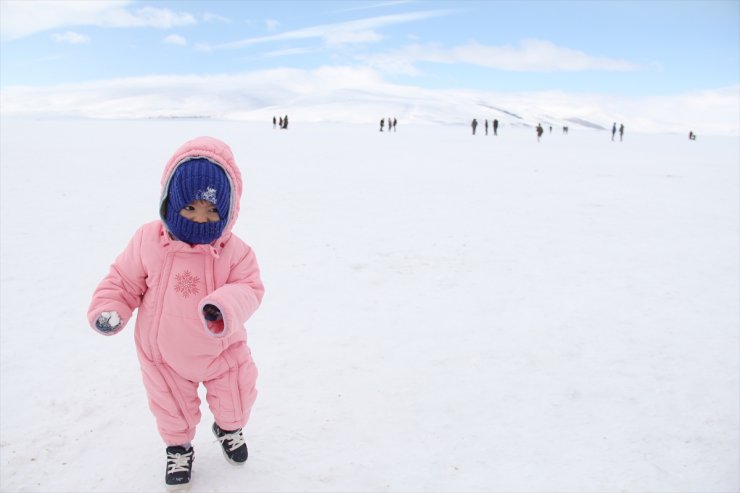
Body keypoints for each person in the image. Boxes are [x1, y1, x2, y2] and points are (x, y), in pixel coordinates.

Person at [87, 136, 264, 491]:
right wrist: (111, 306)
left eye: (212, 211)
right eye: (190, 209)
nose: (201, 220)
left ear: (228, 212)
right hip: (163, 354)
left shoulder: (236, 252)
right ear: (171, 204)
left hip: (221, 349)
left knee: (237, 400)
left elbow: (250, 288)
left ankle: (228, 428)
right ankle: (178, 449)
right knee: (172, 412)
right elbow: (123, 279)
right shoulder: (148, 240)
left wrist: (224, 306)